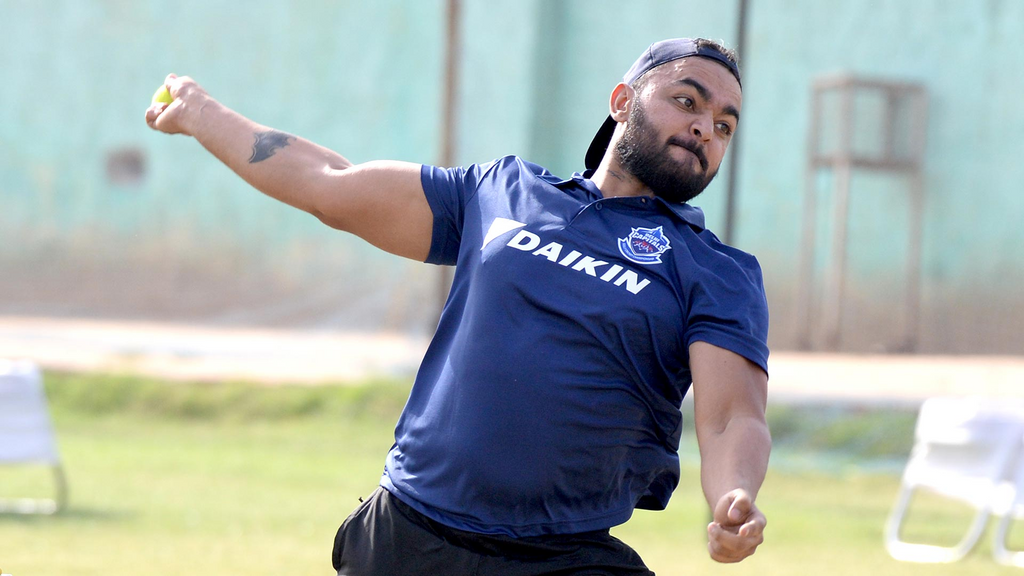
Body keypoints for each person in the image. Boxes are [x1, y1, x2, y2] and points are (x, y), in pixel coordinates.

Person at [146, 37, 770, 576]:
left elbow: (730, 418)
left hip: (565, 554)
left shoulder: (715, 272)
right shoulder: (501, 192)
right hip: (408, 537)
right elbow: (330, 184)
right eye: (687, 101)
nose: (703, 129)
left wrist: (734, 495)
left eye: (724, 125)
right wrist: (200, 114)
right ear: (621, 101)